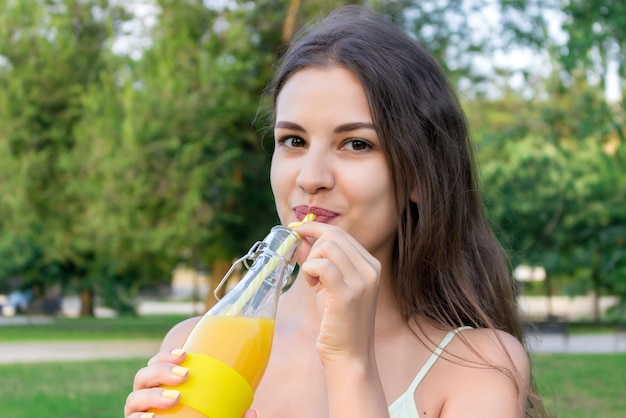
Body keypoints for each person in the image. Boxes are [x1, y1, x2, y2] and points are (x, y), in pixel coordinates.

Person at [125, 5, 547, 418]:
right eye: (293, 140)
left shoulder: (479, 366)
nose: (311, 177)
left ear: (420, 174)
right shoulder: (191, 345)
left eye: (357, 144)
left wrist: (350, 362)